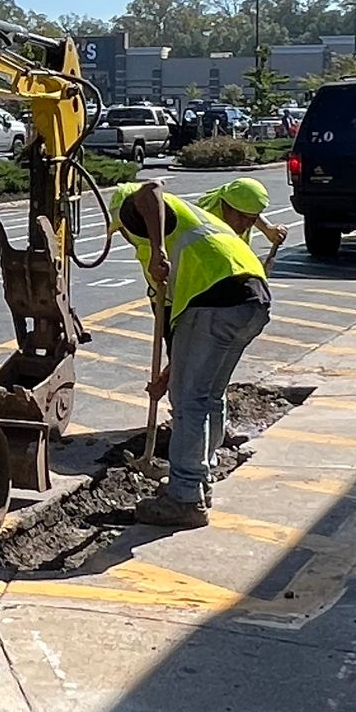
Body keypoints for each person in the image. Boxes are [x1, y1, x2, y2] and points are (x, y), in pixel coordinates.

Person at [114, 178, 270, 528]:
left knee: (190, 402)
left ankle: (184, 496)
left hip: (216, 302)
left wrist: (157, 251)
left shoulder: (150, 216)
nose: (123, 235)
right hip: (249, 303)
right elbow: (178, 335)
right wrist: (168, 377)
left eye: (120, 230)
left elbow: (149, 190)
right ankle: (201, 481)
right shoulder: (197, 230)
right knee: (208, 395)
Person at [198, 172, 287, 261]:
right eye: (243, 217)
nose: (247, 225)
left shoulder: (232, 207)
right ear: (226, 206)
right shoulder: (208, 229)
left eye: (253, 219)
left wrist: (267, 228)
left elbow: (250, 212)